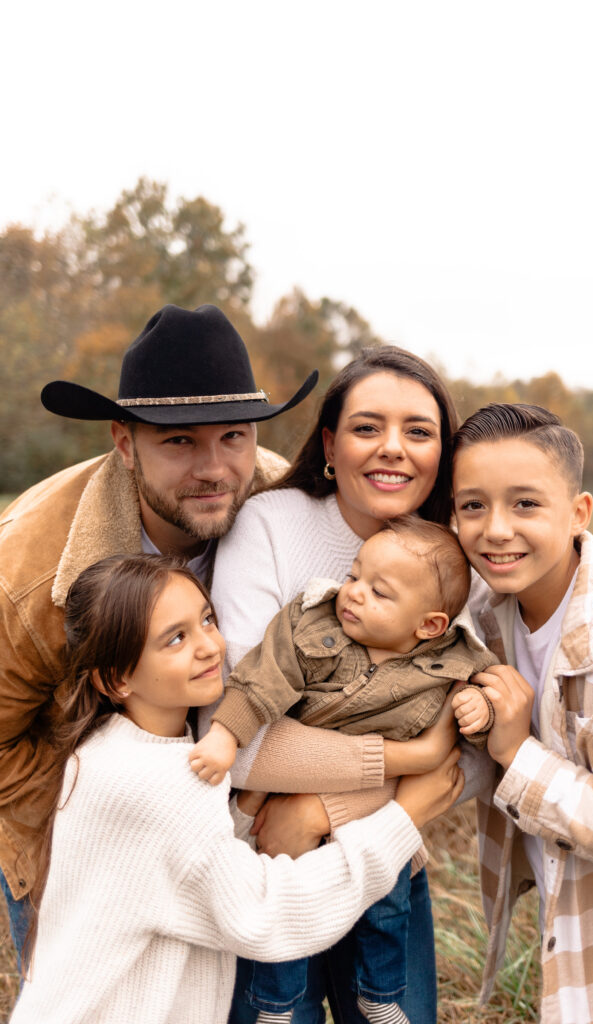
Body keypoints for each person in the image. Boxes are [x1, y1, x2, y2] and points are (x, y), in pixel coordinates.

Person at [10, 553, 463, 1024]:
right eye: (176, 638)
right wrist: (401, 820)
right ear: (117, 678)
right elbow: (265, 914)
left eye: (207, 619)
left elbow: (188, 865)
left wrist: (246, 808)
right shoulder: (149, 783)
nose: (210, 646)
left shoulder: (108, 752)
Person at [0, 302, 318, 966]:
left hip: (238, 830)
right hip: (78, 830)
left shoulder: (286, 512)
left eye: (233, 435)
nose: (213, 467)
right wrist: (85, 820)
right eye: (179, 441)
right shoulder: (28, 575)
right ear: (124, 442)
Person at [207, 346, 494, 1024]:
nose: (393, 449)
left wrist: (320, 811)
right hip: (265, 860)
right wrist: (414, 761)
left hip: (386, 852)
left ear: (441, 454)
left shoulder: (464, 563)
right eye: (367, 427)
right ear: (330, 446)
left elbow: (478, 755)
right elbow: (238, 735)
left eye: (418, 432)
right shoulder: (269, 527)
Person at [451, 402, 593, 1024]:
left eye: (525, 504)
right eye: (473, 505)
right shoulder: (485, 617)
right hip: (570, 927)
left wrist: (518, 756)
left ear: (578, 512)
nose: (496, 529)